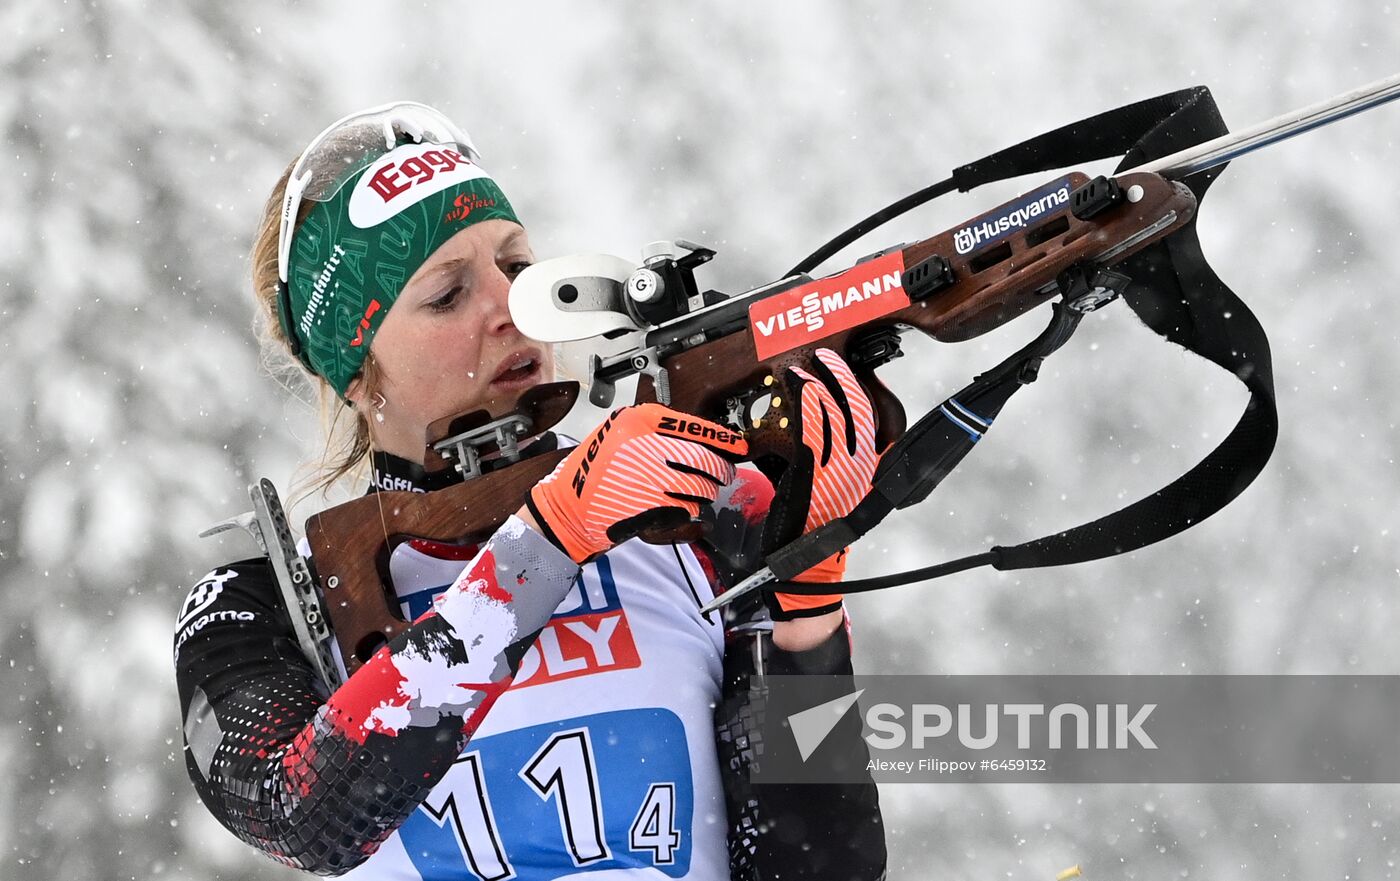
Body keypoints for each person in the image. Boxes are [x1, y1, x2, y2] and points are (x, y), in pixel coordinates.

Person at [175, 102, 886, 880]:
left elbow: (816, 866)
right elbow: (301, 811)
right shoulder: (266, 604)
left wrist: (807, 624)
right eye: (447, 295)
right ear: (358, 369)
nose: (508, 308)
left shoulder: (694, 527)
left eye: (516, 267)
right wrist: (547, 541)